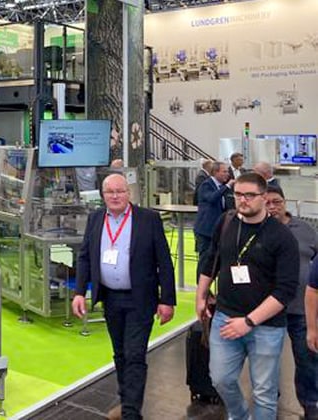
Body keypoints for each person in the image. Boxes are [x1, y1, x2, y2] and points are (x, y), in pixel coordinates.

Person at [72, 173, 175, 420]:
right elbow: (85, 257)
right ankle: (126, 400)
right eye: (110, 192)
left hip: (141, 298)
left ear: (129, 193)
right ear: (102, 195)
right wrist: (79, 292)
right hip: (110, 298)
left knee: (134, 354)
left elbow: (164, 261)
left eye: (120, 191)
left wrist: (167, 299)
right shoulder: (96, 218)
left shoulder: (148, 219)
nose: (115, 196)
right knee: (120, 354)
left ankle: (131, 413)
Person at [196, 172, 299, 420]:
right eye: (238, 194)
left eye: (250, 195)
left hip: (266, 326)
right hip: (225, 317)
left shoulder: (282, 237)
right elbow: (211, 260)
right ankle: (240, 415)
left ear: (264, 197)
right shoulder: (226, 222)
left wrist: (249, 321)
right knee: (220, 379)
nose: (243, 200)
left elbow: (285, 291)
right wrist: (201, 296)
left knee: (264, 392)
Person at [266, 185, 318, 418]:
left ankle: (310, 404)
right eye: (267, 203)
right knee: (267, 360)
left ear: (285, 202)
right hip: (267, 310)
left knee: (307, 360)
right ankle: (268, 402)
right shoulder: (257, 230)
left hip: (301, 309)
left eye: (277, 202)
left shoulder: (305, 229)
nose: (272, 207)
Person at [194, 162, 234, 271]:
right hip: (205, 230)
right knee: (205, 260)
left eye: (227, 171)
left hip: (219, 230)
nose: (227, 174)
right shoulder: (206, 185)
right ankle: (201, 281)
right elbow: (212, 198)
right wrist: (227, 186)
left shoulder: (224, 188)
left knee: (217, 260)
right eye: (224, 171)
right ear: (216, 172)